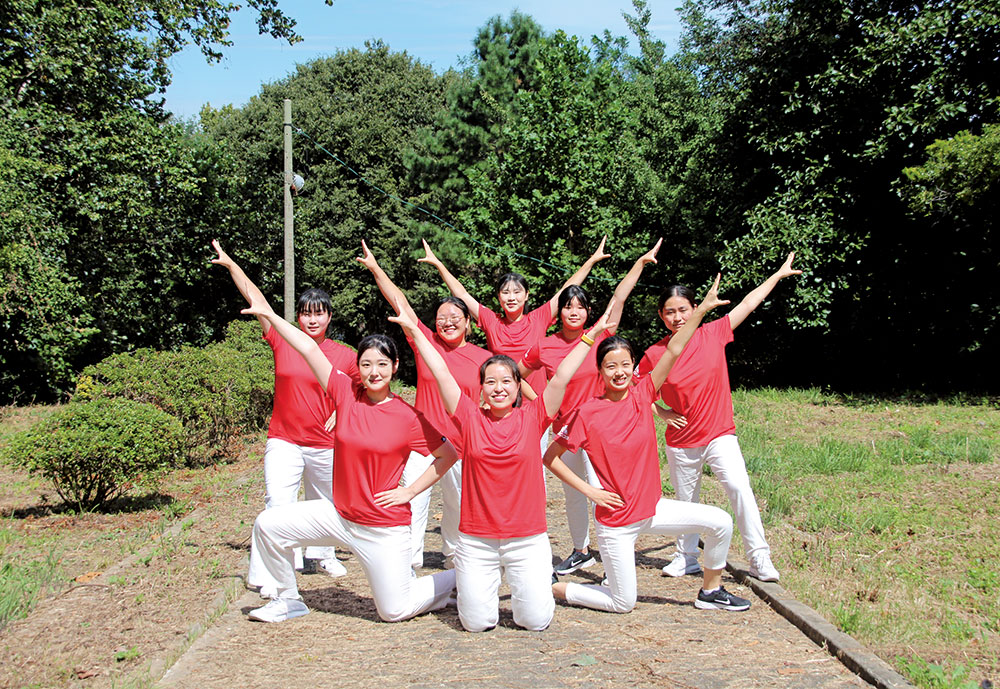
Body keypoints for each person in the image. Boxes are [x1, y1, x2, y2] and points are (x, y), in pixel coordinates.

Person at [385, 299, 616, 632]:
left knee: (535, 621)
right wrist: (415, 332)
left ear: (517, 387)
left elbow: (562, 375)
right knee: (477, 623)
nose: (498, 388)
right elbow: (440, 371)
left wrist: (590, 336)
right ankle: (463, 576)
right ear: (481, 388)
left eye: (506, 381)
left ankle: (534, 586)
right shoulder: (468, 416)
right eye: (490, 382)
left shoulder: (534, 417)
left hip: (527, 538)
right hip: (478, 540)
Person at [239, 294, 459, 623]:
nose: (374, 372)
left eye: (382, 364)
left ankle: (462, 576)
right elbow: (309, 348)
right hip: (339, 516)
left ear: (395, 367)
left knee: (394, 610)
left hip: (382, 527)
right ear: (357, 368)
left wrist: (409, 492)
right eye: (367, 364)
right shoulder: (345, 394)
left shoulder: (407, 416)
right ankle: (287, 599)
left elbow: (448, 454)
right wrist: (270, 315)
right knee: (268, 525)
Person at [546, 274, 751, 613]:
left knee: (720, 522)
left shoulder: (643, 394)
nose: (620, 372)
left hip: (652, 511)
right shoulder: (588, 412)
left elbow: (674, 347)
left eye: (625, 364)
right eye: (611, 366)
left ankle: (711, 591)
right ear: (600, 371)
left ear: (632, 367)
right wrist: (591, 492)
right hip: (615, 523)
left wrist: (701, 313)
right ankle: (555, 587)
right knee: (622, 603)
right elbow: (550, 457)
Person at [638, 253, 802, 582]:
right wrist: (663, 412)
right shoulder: (655, 354)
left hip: (718, 433)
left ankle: (759, 558)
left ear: (694, 308)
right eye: (669, 312)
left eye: (682, 309)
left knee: (739, 488)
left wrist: (777, 276)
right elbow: (636, 394)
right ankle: (686, 557)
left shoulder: (713, 333)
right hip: (682, 442)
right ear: (661, 315)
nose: (677, 317)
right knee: (688, 503)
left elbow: (749, 303)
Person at [210, 240, 356, 583]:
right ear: (299, 317)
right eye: (307, 313)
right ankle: (281, 564)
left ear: (329, 317)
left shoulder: (345, 355)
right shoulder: (282, 339)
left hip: (326, 444)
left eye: (320, 312)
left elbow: (363, 389)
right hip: (285, 440)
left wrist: (343, 410)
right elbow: (257, 301)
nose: (313, 319)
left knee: (326, 504)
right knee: (278, 501)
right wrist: (232, 265)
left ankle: (322, 555)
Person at [519, 240, 661, 576]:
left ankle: (614, 547)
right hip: (566, 429)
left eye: (580, 307)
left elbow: (619, 298)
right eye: (567, 306)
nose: (573, 312)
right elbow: (518, 374)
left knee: (606, 490)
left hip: (602, 431)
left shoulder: (599, 336)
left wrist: (639, 264)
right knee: (575, 494)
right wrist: (540, 404)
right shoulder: (546, 345)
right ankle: (580, 550)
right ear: (561, 312)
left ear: (587, 312)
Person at [356, 241, 491, 572]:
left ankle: (453, 560)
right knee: (412, 501)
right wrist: (375, 269)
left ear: (468, 323)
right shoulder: (426, 344)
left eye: (454, 317)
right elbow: (400, 302)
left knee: (459, 506)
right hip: (422, 443)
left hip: (462, 445)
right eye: (441, 317)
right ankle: (409, 561)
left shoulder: (484, 359)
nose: (447, 322)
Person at [417, 237, 610, 396]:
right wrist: (439, 265)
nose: (511, 298)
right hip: (501, 401)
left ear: (526, 296)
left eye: (517, 292)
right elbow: (462, 295)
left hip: (535, 403)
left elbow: (565, 291)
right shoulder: (491, 321)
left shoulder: (538, 318)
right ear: (499, 297)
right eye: (506, 293)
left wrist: (591, 261)